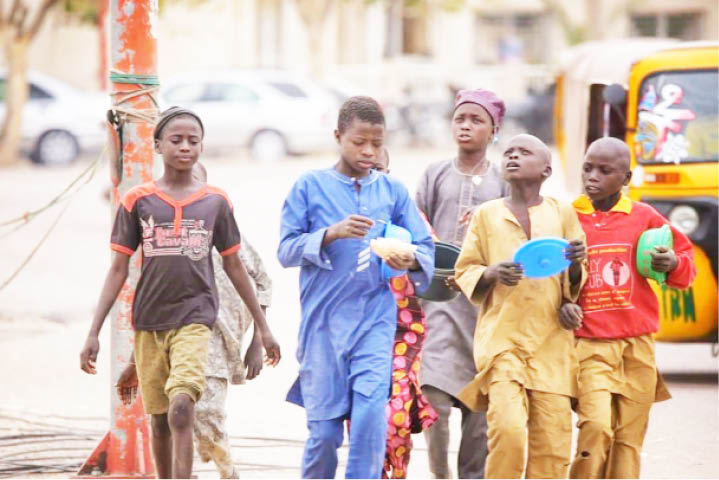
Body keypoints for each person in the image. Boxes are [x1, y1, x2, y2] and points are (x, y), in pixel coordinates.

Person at [79, 107, 281, 479]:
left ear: (202, 146)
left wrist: (264, 330)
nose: (186, 147)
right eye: (177, 140)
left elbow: (237, 267)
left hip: (196, 319)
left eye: (194, 140)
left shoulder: (216, 202)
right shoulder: (137, 201)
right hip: (150, 322)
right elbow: (118, 269)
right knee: (158, 421)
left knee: (183, 407)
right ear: (157, 145)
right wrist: (93, 332)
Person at [277, 96, 435, 479]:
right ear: (338, 137)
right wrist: (330, 233)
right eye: (359, 142)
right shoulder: (310, 186)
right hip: (323, 327)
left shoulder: (392, 191)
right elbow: (286, 250)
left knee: (369, 420)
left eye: (376, 143)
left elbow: (424, 247)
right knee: (325, 433)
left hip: (374, 320)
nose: (368, 151)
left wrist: (408, 258)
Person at [560, 137, 696, 479]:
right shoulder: (569, 217)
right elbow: (552, 279)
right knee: (596, 427)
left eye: (605, 171)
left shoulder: (644, 217)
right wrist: (564, 304)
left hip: (638, 346)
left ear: (626, 178)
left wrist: (672, 263)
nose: (593, 176)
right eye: (587, 168)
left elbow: (685, 264)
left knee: (628, 440)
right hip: (590, 345)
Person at [454, 133, 587, 479]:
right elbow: (465, 269)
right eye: (508, 152)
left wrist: (573, 272)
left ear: (546, 169)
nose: (512, 156)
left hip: (551, 345)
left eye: (523, 152)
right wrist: (492, 273)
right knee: (509, 432)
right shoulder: (486, 215)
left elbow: (575, 278)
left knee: (552, 444)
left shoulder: (562, 212)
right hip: (503, 343)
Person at [415, 88, 510, 479]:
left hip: (486, 310)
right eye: (460, 119)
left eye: (476, 120)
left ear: (494, 129)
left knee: (479, 413)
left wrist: (489, 219)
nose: (466, 126)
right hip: (438, 303)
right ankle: (440, 475)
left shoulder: (505, 180)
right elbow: (414, 224)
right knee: (432, 402)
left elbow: (519, 234)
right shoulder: (435, 173)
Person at [190, 163, 273, 479]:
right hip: (180, 331)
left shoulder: (227, 234)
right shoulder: (167, 233)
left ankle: (228, 472)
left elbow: (264, 282)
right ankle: (185, 467)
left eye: (196, 183)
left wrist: (258, 341)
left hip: (223, 339)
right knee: (178, 409)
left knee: (209, 411)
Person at [374, 149, 438, 479]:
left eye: (380, 170)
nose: (373, 179)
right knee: (364, 421)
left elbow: (434, 259)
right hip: (356, 332)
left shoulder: (406, 215)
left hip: (404, 334)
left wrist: (411, 258)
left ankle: (397, 473)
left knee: (397, 416)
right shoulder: (343, 218)